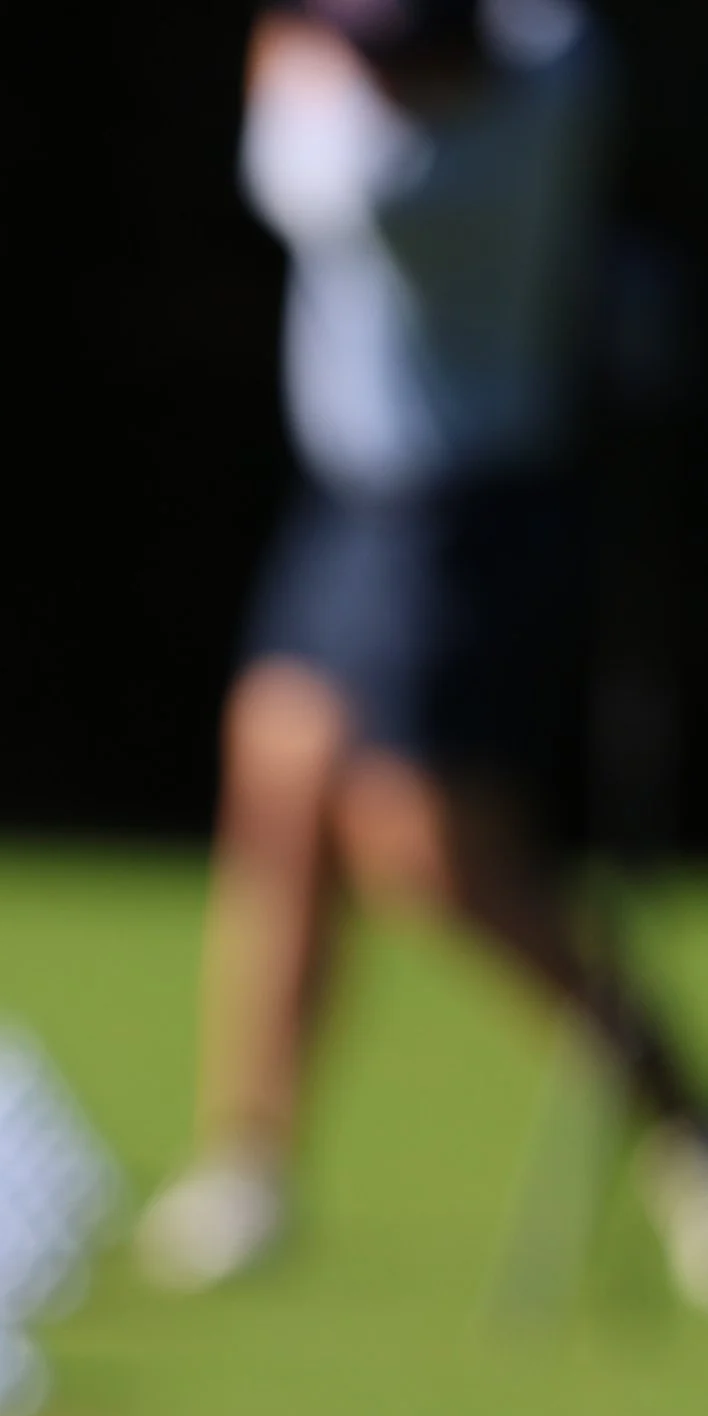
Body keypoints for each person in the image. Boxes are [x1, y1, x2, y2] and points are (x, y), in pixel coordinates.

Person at [139, 0, 708, 1297]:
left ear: (455, 66)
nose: (373, 80)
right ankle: (249, 1163)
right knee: (276, 784)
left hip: (462, 514)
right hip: (351, 498)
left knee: (431, 860)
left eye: (399, 64)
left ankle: (684, 1121)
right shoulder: (558, 59)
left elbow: (285, 64)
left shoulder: (385, 177)